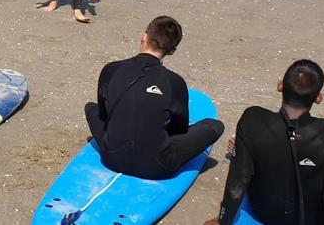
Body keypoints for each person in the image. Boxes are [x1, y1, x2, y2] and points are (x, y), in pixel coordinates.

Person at [206, 59, 324, 225]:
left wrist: (223, 220)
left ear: (280, 86)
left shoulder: (252, 120)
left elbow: (238, 178)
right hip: (312, 219)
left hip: (265, 213)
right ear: (319, 98)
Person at [84, 15, 224, 180]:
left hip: (110, 157)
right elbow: (179, 129)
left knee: (90, 108)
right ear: (172, 51)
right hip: (157, 167)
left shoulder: (110, 69)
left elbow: (104, 114)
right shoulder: (174, 82)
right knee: (214, 126)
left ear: (143, 37)